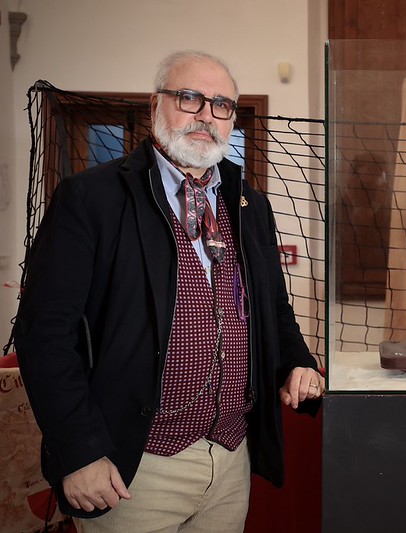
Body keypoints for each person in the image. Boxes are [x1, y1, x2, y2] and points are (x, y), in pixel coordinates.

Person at [14, 50, 324, 532]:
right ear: (156, 103)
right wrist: (80, 452)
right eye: (189, 97)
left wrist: (299, 359)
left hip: (229, 456)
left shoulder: (249, 206)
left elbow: (273, 309)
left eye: (221, 104)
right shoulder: (91, 198)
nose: (206, 114)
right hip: (134, 466)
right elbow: (44, 336)